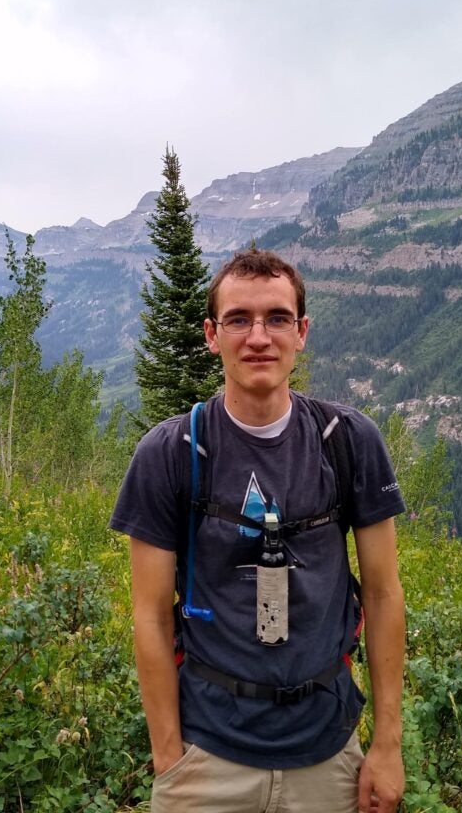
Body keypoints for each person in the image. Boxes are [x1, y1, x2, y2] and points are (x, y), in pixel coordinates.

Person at [110, 248, 406, 812]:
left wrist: (386, 744)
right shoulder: (170, 452)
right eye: (238, 319)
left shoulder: (348, 440)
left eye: (276, 318)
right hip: (207, 758)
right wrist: (168, 757)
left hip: (329, 751)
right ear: (211, 335)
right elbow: (148, 614)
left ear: (302, 332)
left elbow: (384, 593)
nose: (258, 337)